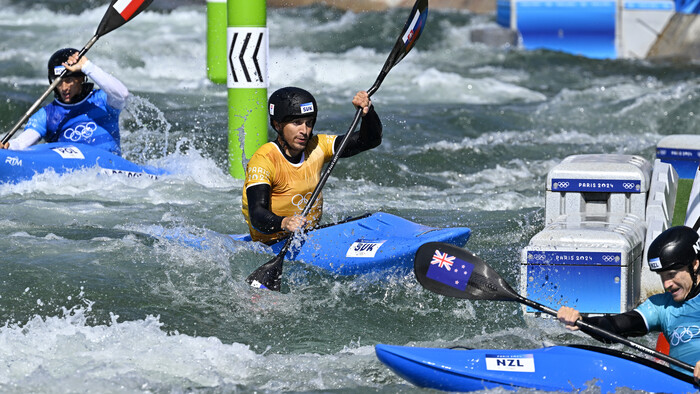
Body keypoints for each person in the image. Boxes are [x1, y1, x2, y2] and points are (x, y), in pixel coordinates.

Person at [557, 225, 700, 382]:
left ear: (694, 264)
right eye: (662, 276)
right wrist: (582, 321)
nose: (667, 285)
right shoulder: (661, 306)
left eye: (672, 275)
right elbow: (616, 327)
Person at [241, 86, 382, 244]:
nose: (304, 130)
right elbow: (257, 214)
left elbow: (370, 140)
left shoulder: (317, 146)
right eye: (297, 123)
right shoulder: (264, 160)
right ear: (277, 125)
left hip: (310, 237)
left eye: (309, 123)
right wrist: (284, 223)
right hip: (272, 243)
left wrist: (368, 113)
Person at [0, 48, 129, 155]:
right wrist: (9, 147)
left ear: (81, 78)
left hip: (112, 171)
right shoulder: (47, 114)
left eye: (69, 80)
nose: (64, 88)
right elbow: (22, 142)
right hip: (72, 177)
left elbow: (122, 94)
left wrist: (87, 66)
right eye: (59, 82)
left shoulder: (102, 100)